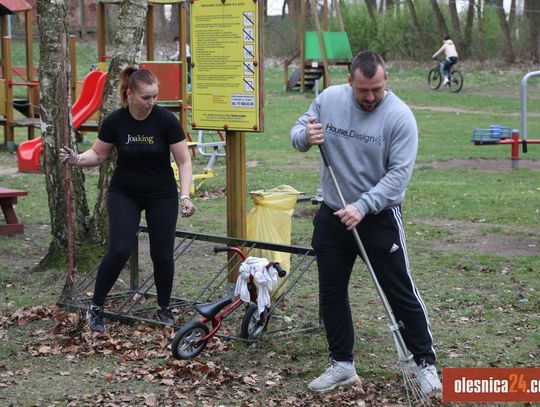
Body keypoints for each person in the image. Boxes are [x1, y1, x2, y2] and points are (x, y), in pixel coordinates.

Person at [290, 51, 442, 395]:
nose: (370, 97)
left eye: (376, 89)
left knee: (399, 291)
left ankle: (424, 363)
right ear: (350, 83)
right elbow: (299, 129)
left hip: (378, 217)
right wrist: (305, 136)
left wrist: (363, 206)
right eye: (363, 90)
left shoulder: (400, 118)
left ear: (386, 81)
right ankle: (341, 364)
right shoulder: (329, 99)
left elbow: (398, 177)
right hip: (332, 214)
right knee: (331, 292)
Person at [60, 66, 195, 333]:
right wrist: (76, 159)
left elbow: (184, 160)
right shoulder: (115, 121)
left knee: (162, 254)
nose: (151, 102)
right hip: (125, 193)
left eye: (155, 96)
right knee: (119, 249)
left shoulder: (166, 120)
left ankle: (164, 308)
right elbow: (98, 155)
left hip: (162, 194)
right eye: (146, 97)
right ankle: (96, 308)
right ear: (129, 93)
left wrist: (186, 195)